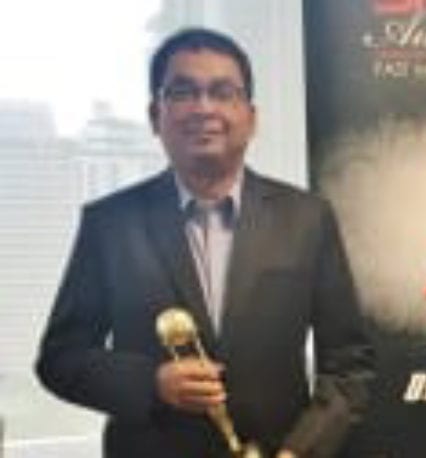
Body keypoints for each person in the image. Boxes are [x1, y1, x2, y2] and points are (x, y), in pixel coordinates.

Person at [35, 28, 374, 458]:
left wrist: (300, 452)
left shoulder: (307, 219)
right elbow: (60, 358)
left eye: (223, 92)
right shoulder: (110, 224)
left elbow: (349, 365)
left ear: (251, 117)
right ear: (155, 115)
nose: (204, 107)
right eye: (182, 92)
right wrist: (151, 383)